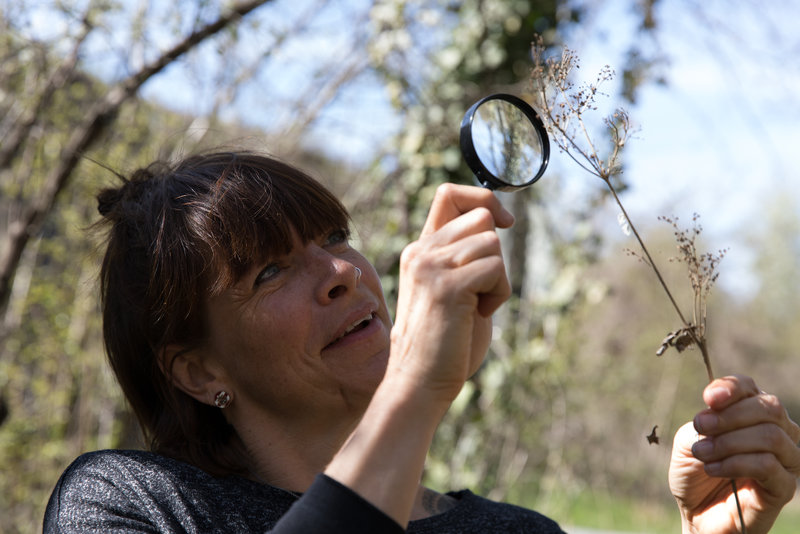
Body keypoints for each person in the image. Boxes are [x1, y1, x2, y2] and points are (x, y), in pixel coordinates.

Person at [43, 151, 799, 533]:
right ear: (198, 370)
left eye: (335, 238)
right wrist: (415, 387)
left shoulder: (514, 532)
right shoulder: (132, 505)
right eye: (269, 271)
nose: (344, 270)